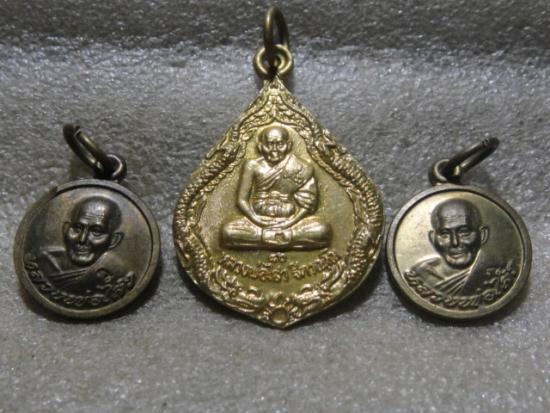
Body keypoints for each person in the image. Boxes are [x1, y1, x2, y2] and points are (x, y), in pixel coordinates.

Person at [221, 125, 331, 250]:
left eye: (280, 144)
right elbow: (241, 200)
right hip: (257, 221)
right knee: (228, 231)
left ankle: (268, 238)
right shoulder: (252, 165)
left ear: (288, 145)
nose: (274, 150)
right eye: (269, 145)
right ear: (260, 146)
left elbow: (308, 204)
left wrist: (289, 222)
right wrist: (257, 220)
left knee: (322, 230)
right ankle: (284, 238)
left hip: (291, 221)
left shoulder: (302, 167)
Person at [34, 196, 132, 294]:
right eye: (77, 228)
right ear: (66, 229)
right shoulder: (44, 262)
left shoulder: (120, 274)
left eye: (96, 232)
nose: (82, 239)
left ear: (114, 240)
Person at [409, 198, 489, 296]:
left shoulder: (496, 275)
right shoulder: (420, 274)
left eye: (464, 232)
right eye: (445, 234)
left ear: (483, 235)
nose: (455, 242)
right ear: (432, 238)